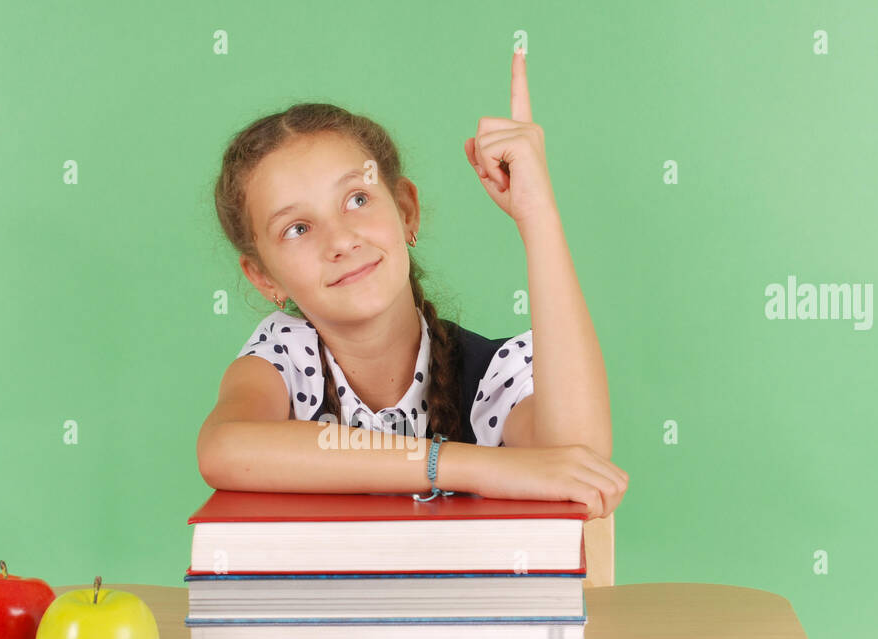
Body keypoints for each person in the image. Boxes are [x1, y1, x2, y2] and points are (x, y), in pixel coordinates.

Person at [198, 51, 627, 519]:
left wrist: (537, 213)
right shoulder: (284, 360)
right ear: (263, 277)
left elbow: (579, 461)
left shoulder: (489, 376)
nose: (340, 240)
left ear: (406, 211)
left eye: (357, 199)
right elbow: (224, 447)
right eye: (297, 229)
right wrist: (466, 467)